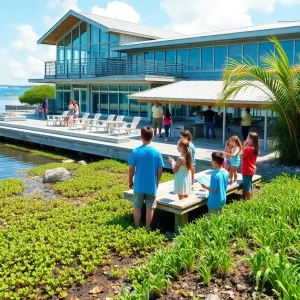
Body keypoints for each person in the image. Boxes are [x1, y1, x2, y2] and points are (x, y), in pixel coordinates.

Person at [128, 126, 164, 230]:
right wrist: (157, 182)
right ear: (153, 136)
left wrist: (130, 180)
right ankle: (147, 227)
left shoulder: (136, 151)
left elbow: (131, 169)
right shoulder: (156, 152)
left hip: (138, 185)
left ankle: (136, 226)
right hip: (151, 186)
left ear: (141, 137)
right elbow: (160, 170)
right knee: (150, 208)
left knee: (137, 207)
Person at [241, 132, 259, 200]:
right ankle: (251, 198)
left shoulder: (248, 148)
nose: (247, 139)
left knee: (247, 186)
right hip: (252, 169)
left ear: (252, 140)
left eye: (248, 137)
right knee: (249, 184)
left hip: (246, 169)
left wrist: (243, 147)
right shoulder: (255, 148)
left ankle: (247, 201)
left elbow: (241, 157)